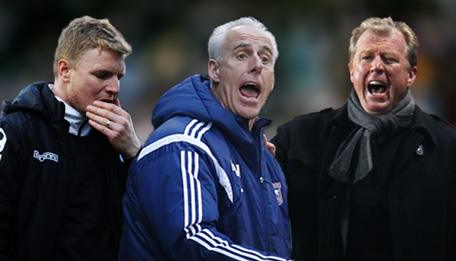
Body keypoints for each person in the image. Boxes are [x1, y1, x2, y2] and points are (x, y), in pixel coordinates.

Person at [272, 16, 456, 261]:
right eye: (367, 57)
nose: (377, 66)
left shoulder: (446, 146)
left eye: (389, 59)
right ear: (351, 70)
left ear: (412, 74)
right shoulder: (300, 139)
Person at [119, 17, 291, 260]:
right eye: (242, 56)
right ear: (215, 69)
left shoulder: (265, 160)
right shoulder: (181, 144)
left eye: (266, 59)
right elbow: (192, 241)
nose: (256, 65)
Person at [0, 16, 140, 261]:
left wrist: (134, 153)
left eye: (119, 77)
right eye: (102, 75)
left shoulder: (117, 143)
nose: (115, 87)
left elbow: (147, 221)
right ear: (65, 71)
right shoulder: (12, 134)